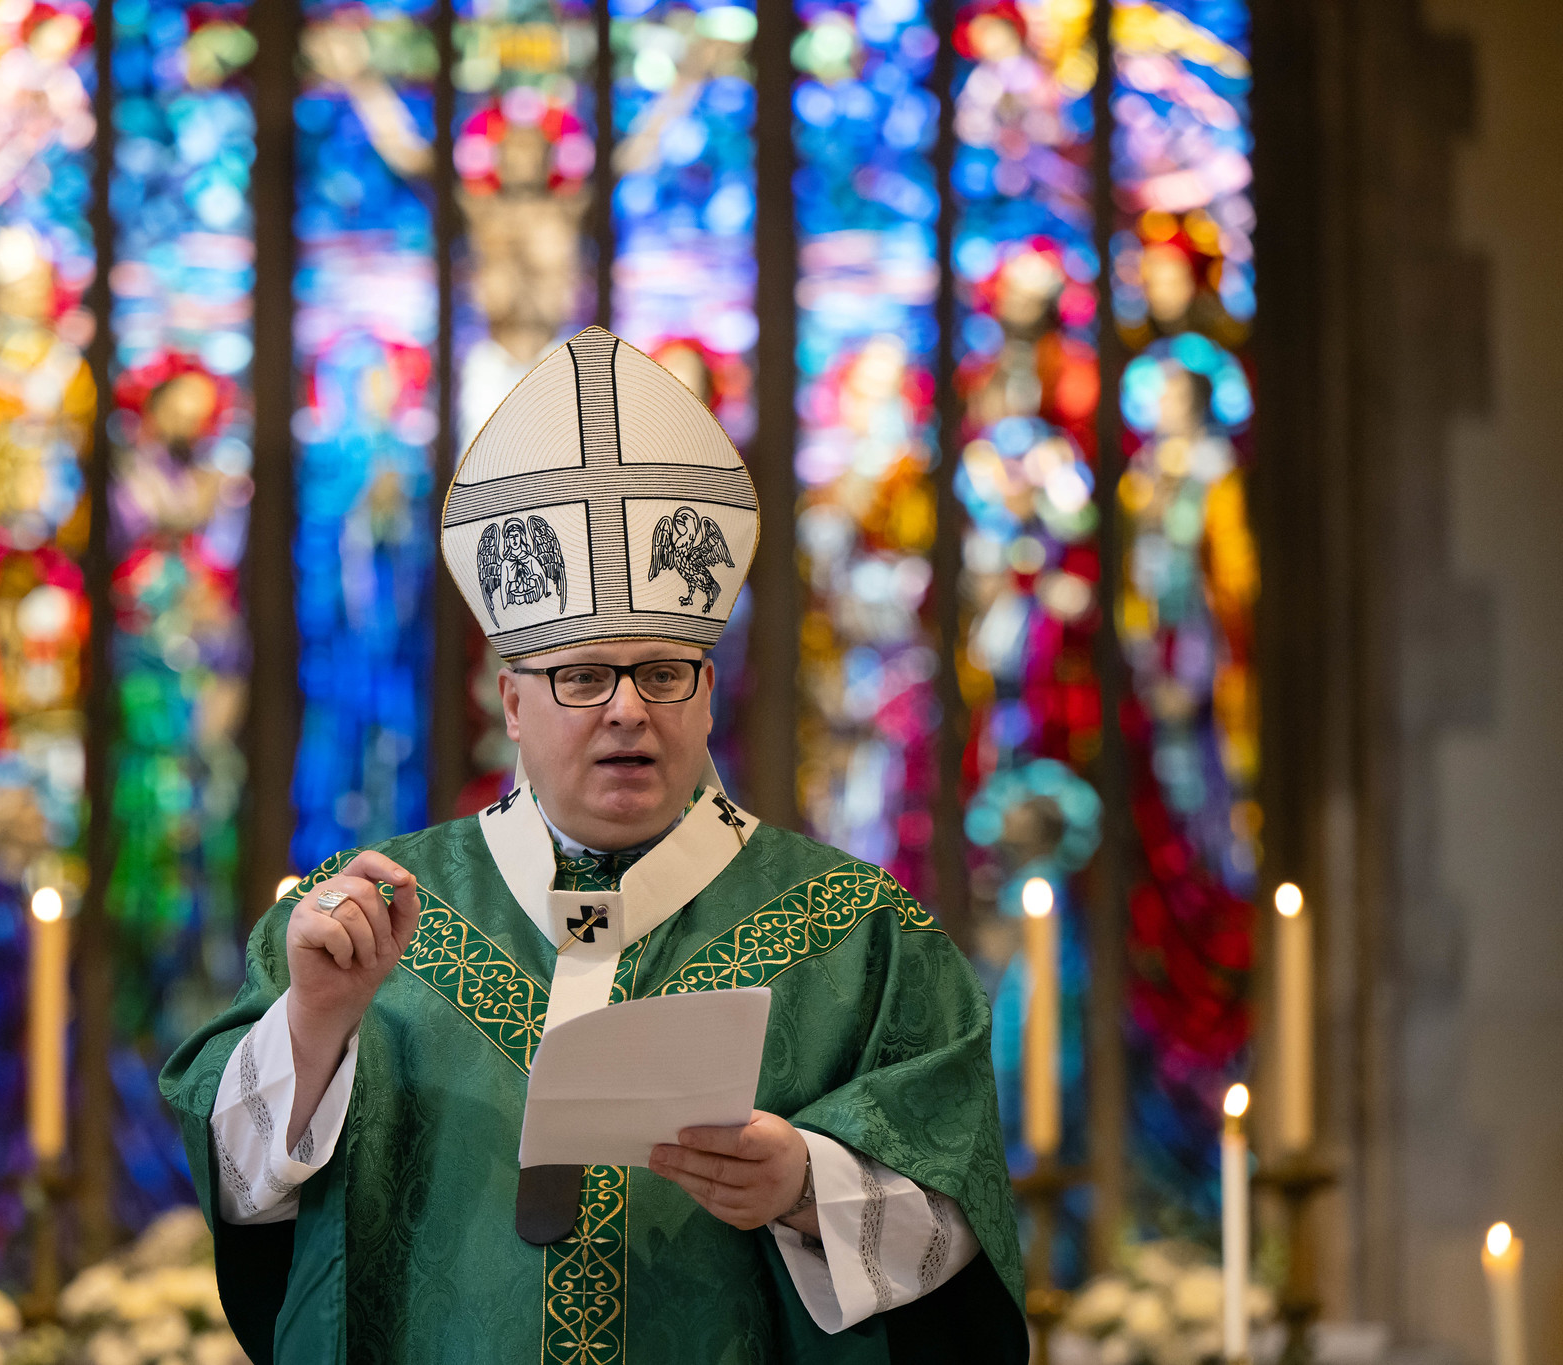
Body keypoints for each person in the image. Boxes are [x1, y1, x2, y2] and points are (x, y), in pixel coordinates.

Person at [162, 328, 1028, 1362]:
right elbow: (243, 1189)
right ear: (512, 703)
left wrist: (804, 1184)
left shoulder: (860, 932)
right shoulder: (362, 917)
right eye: (581, 676)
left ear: (707, 696)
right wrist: (312, 1025)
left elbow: (955, 1209)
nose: (626, 709)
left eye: (663, 672)